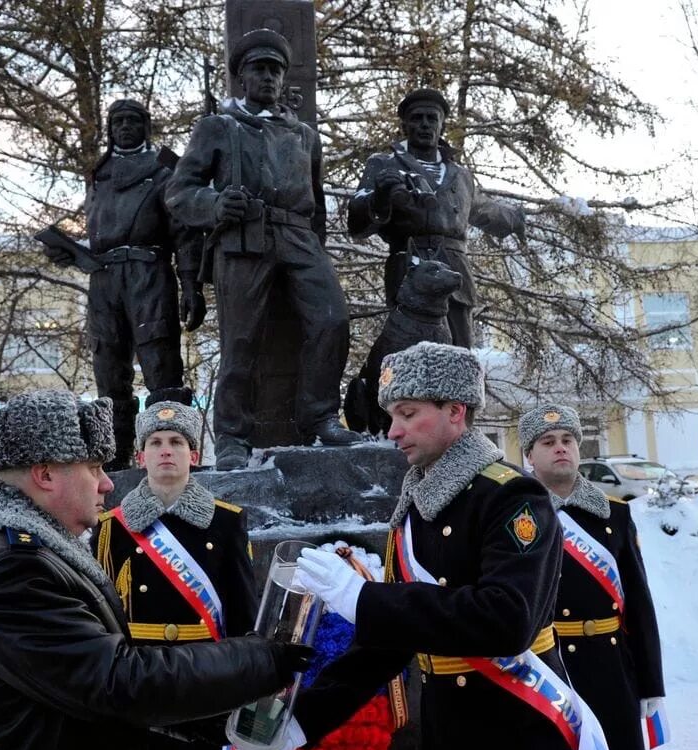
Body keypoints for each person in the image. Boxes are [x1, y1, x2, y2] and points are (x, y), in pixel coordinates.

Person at [0, 389, 310, 750]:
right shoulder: (9, 571)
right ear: (46, 474)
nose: (107, 483)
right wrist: (259, 659)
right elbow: (118, 681)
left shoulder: (29, 552)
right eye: (93, 468)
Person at [250, 341, 579, 750]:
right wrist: (304, 719)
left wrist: (364, 598)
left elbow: (507, 619)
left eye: (408, 413)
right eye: (391, 415)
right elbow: (391, 641)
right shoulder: (419, 502)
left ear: (455, 411)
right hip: (450, 738)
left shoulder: (511, 496)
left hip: (516, 731)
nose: (392, 430)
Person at [166, 28, 361, 470]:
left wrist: (312, 247)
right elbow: (179, 193)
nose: (269, 77)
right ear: (242, 77)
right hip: (243, 238)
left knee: (332, 319)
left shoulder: (304, 135)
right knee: (240, 339)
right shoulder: (217, 127)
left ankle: (320, 417)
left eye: (275, 69)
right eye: (259, 69)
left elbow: (316, 203)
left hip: (297, 237)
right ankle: (234, 435)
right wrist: (215, 204)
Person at [92, 399, 257, 750]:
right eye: (157, 442)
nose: (167, 450)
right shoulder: (112, 528)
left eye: (178, 442)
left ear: (194, 455)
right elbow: (102, 618)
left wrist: (248, 683)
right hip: (142, 684)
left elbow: (243, 617)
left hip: (209, 685)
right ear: (140, 456)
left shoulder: (227, 523)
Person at [520, 403, 667, 750]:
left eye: (567, 440)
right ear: (530, 455)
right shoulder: (517, 515)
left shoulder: (614, 515)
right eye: (548, 442)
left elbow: (639, 603)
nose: (560, 449)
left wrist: (650, 682)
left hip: (610, 668)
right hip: (546, 667)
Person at [42, 98, 204, 468]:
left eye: (133, 121)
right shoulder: (99, 176)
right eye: (118, 123)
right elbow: (100, 233)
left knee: (162, 370)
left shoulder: (165, 171)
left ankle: (172, 457)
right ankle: (114, 462)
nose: (125, 128)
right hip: (104, 280)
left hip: (149, 274)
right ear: (110, 130)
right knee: (109, 371)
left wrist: (191, 284)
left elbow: (184, 234)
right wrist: (71, 252)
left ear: (145, 127)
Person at [347, 89, 525, 348]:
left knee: (460, 355)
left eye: (432, 118)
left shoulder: (460, 175)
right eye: (417, 118)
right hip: (410, 269)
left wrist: (515, 219)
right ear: (404, 124)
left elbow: (483, 210)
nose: (425, 124)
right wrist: (380, 197)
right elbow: (357, 222)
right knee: (408, 355)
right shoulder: (384, 164)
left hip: (454, 271)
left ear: (442, 124)